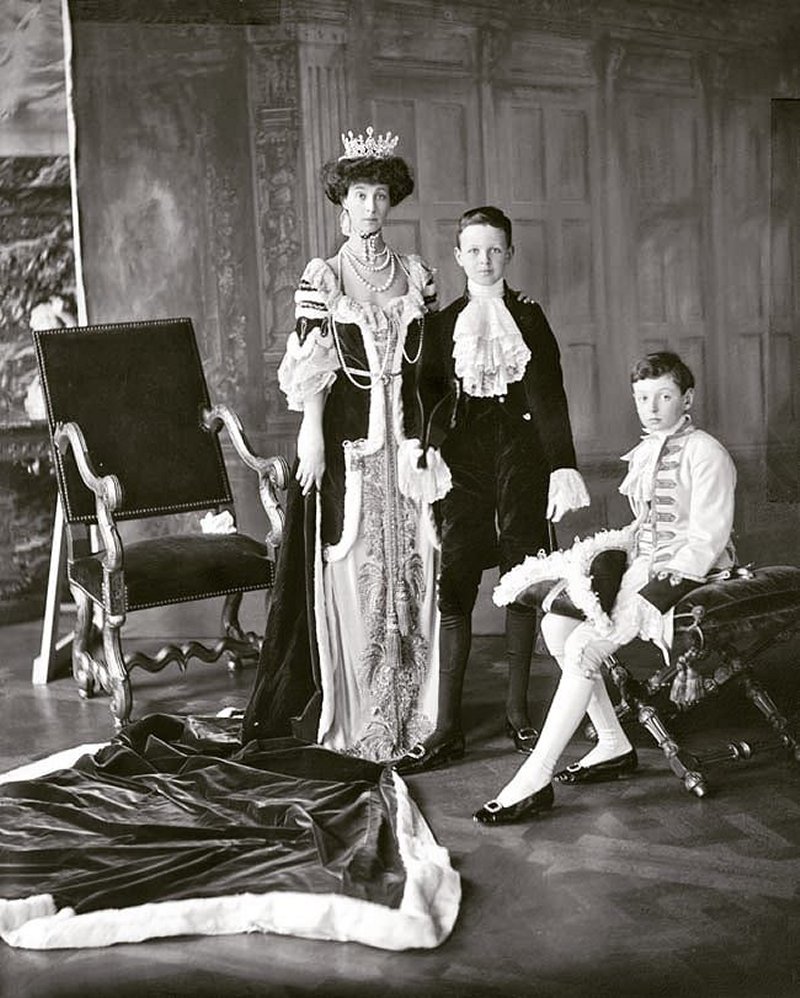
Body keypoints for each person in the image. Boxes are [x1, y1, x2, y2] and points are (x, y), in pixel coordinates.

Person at [241, 127, 446, 763]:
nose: (372, 207)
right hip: (350, 453)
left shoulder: (417, 274)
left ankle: (417, 713)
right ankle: (360, 716)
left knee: (416, 565)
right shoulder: (323, 278)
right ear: (342, 203)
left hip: (408, 452)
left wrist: (432, 444)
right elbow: (313, 372)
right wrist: (311, 438)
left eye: (382, 196)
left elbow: (432, 371)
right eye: (361, 195)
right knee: (353, 569)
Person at [473, 350, 737, 824]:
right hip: (645, 563)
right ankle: (613, 742)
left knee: (584, 650)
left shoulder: (707, 452)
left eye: (664, 396)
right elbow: (648, 522)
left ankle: (536, 776)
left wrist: (656, 591)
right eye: (643, 398)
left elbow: (707, 539)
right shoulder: (648, 448)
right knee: (556, 626)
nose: (652, 407)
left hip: (688, 576)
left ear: (687, 397)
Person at [394, 206, 589, 775]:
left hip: (521, 458)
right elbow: (422, 396)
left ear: (509, 254)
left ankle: (516, 715)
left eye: (494, 249)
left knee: (522, 574)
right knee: (454, 582)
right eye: (473, 250)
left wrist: (562, 465)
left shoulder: (529, 317)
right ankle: (448, 727)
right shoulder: (437, 323)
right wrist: (421, 449)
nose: (484, 259)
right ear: (458, 256)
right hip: (461, 465)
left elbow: (550, 395)